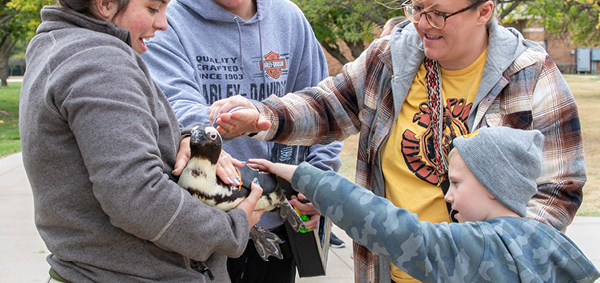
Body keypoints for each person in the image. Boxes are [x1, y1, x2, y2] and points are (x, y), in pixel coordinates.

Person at [209, 0, 587, 283]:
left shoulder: (531, 74)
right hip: (387, 272)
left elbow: (560, 188)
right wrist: (263, 117)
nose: (422, 25)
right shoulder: (390, 59)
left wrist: (499, 257)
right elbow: (327, 105)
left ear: (483, 11)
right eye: (416, 8)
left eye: (438, 13)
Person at [19, 0, 264, 283]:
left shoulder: (59, 47)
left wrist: (182, 138)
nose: (163, 23)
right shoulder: (99, 62)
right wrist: (233, 228)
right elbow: (137, 197)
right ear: (104, 4)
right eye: (153, 7)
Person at [141, 0, 343, 282]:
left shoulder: (289, 19)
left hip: (278, 224)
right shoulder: (169, 21)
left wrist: (317, 183)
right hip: (202, 227)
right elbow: (177, 104)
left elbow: (324, 109)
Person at [248, 127, 600, 283]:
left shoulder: (479, 246)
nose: (447, 196)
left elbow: (394, 229)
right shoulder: (551, 241)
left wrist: (300, 174)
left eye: (457, 184)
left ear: (495, 188)